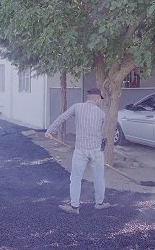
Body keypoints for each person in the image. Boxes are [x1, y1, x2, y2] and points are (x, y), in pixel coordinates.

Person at [45, 87, 110, 215]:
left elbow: (62, 118)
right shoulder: (101, 114)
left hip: (80, 150)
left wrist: (49, 131)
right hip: (96, 150)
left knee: (75, 178)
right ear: (97, 99)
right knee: (98, 178)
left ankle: (74, 207)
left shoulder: (77, 107)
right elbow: (103, 134)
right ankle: (99, 203)